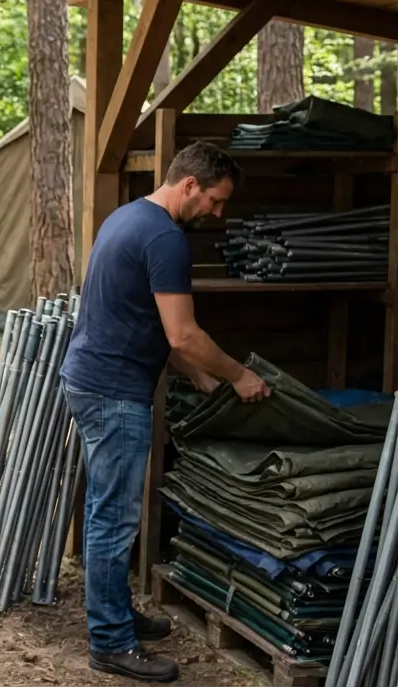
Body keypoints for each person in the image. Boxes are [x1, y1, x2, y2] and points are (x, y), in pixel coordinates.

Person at [58, 140, 271, 684]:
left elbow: (140, 318)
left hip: (91, 379)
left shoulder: (126, 219)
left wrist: (191, 371)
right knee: (114, 519)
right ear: (190, 185)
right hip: (114, 393)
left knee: (109, 513)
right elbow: (184, 331)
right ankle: (110, 643)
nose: (217, 214)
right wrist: (236, 375)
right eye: (216, 201)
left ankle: (116, 614)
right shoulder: (166, 238)